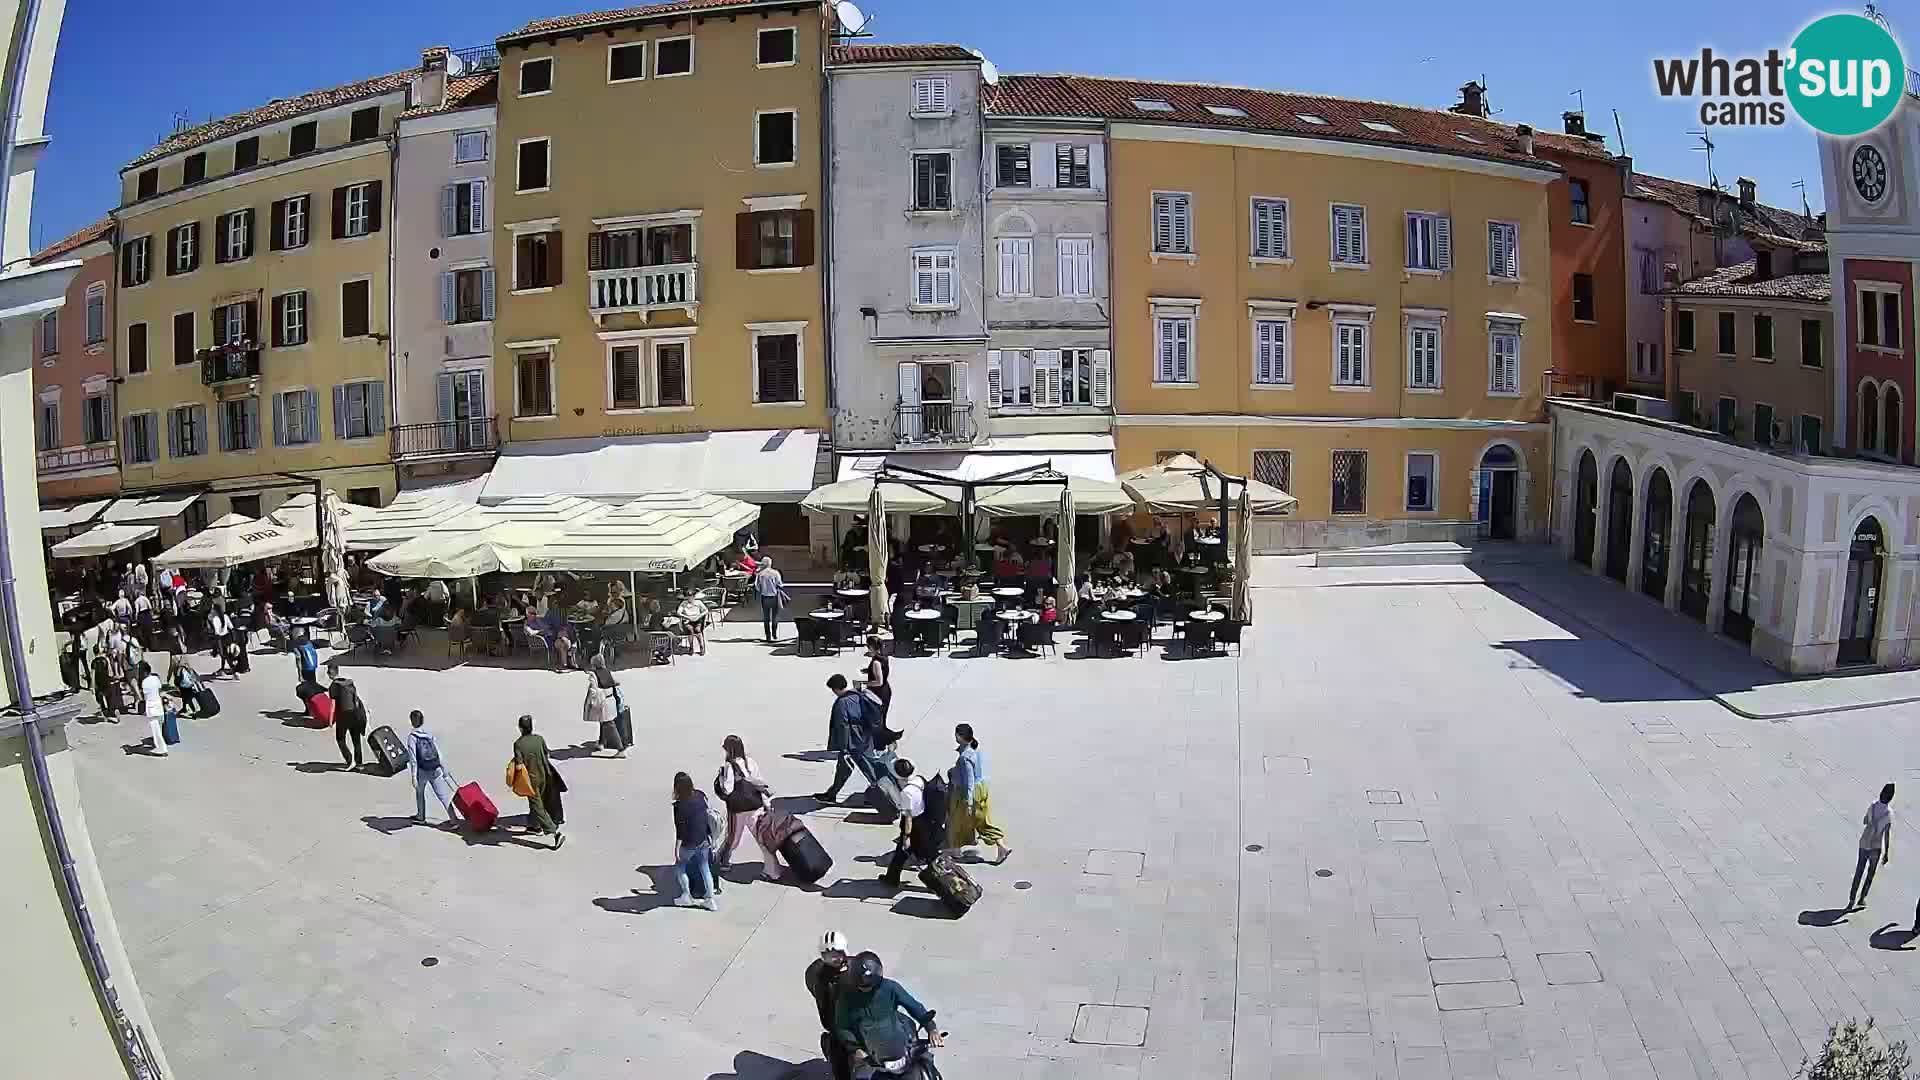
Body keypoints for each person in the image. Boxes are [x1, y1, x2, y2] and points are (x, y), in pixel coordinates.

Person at [833, 952, 936, 1072]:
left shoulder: (891, 988)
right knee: (860, 1074)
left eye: (868, 987)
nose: (865, 989)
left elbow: (914, 1006)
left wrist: (931, 1028)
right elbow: (842, 1027)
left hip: (898, 1041)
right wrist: (855, 1049)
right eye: (861, 987)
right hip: (869, 1052)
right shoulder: (846, 998)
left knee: (925, 1061)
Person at [714, 734, 783, 879]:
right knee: (762, 839)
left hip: (738, 809)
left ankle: (722, 862)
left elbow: (727, 789)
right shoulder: (750, 762)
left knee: (733, 838)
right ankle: (773, 871)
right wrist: (766, 803)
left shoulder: (729, 766)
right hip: (755, 806)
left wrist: (720, 777)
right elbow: (759, 782)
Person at [948, 723, 1011, 864]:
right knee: (978, 820)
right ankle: (957, 848)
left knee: (962, 820)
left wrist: (969, 802)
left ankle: (1000, 845)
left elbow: (969, 780)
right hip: (981, 788)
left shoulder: (965, 757)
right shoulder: (975, 750)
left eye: (956, 734)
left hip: (969, 792)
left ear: (960, 737)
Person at [814, 674, 878, 805]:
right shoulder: (857, 695)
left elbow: (842, 725)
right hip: (864, 737)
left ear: (835, 689)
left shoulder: (841, 703)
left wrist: (843, 747)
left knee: (850, 769)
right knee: (865, 767)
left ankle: (880, 794)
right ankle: (832, 794)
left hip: (851, 742)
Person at [879, 758, 936, 888]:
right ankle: (891, 877)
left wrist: (906, 836)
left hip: (913, 824)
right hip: (923, 819)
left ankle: (892, 878)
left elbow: (908, 817)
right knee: (921, 853)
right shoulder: (919, 780)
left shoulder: (906, 793)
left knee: (906, 851)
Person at [808, 932, 856, 1080]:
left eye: (837, 954)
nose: (834, 959)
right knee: (839, 1060)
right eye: (828, 956)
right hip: (841, 1025)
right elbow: (826, 1015)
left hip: (863, 1020)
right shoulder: (822, 980)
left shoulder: (857, 966)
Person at [513, 714, 565, 848]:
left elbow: (519, 766)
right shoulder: (539, 739)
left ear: (520, 728)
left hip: (531, 780)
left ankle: (554, 833)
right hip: (545, 775)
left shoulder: (518, 744)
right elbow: (547, 754)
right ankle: (534, 826)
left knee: (537, 805)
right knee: (539, 801)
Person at [671, 771, 717, 908]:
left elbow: (681, 831)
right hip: (703, 839)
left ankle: (686, 896)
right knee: (705, 868)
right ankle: (710, 900)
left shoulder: (679, 806)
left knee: (680, 866)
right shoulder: (700, 795)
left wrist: (677, 849)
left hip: (689, 843)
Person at [407, 710, 460, 826]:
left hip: (422, 771)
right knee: (443, 796)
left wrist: (413, 777)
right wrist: (444, 768)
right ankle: (454, 820)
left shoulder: (412, 737)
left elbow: (413, 759)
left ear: (412, 721)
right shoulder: (428, 734)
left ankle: (421, 816)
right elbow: (438, 752)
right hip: (435, 769)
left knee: (419, 792)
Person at [1850, 783, 1896, 909]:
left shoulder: (1873, 805)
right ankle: (1862, 899)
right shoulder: (1888, 814)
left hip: (1864, 843)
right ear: (1891, 797)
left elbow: (1865, 820)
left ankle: (1851, 899)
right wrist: (1886, 853)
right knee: (1870, 873)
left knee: (1859, 871)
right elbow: (1886, 835)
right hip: (1876, 847)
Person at [327, 662, 368, 770]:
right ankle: (359, 764)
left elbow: (333, 705)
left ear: (329, 673)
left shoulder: (333, 686)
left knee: (340, 739)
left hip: (343, 716)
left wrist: (330, 720)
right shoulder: (349, 683)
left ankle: (349, 760)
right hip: (355, 713)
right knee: (356, 740)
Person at [591, 657, 629, 757]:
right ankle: (601, 743)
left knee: (609, 723)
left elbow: (593, 690)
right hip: (611, 699)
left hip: (603, 701)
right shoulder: (607, 671)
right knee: (603, 722)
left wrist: (591, 701)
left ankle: (620, 749)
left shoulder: (594, 674)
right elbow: (615, 682)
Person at [754, 555, 791, 643]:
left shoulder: (760, 574)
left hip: (764, 597)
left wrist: (762, 590)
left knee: (766, 617)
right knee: (775, 616)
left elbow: (757, 586)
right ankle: (774, 634)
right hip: (774, 597)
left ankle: (768, 636)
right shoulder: (775, 573)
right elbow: (780, 584)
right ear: (770, 564)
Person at [138, 661, 169, 756]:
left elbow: (145, 697)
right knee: (159, 728)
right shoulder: (156, 679)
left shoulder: (144, 682)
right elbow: (159, 691)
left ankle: (161, 748)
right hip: (159, 705)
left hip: (151, 707)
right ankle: (160, 746)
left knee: (156, 730)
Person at [677, 588, 711, 656]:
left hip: (697, 619)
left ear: (694, 597)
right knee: (690, 630)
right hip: (688, 620)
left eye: (691, 597)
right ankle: (691, 647)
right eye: (688, 597)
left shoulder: (698, 602)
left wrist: (699, 616)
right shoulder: (684, 603)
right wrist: (686, 617)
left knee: (697, 630)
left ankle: (701, 646)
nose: (690, 598)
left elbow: (706, 610)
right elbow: (678, 612)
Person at [864, 637, 892, 720]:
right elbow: (882, 670)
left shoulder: (876, 662)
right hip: (886, 690)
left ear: (872, 647)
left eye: (868, 646)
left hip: (879, 693)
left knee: (877, 719)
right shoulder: (884, 657)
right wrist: (868, 670)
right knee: (882, 717)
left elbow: (879, 682)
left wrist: (865, 684)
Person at [206, 602, 234, 676]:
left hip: (219, 639)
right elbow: (231, 627)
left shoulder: (214, 619)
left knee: (223, 655)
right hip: (227, 637)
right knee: (226, 654)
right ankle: (223, 668)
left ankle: (233, 670)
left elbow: (215, 631)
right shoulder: (225, 616)